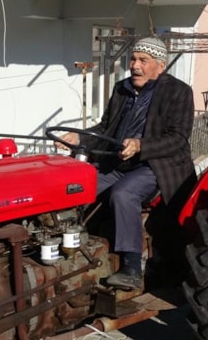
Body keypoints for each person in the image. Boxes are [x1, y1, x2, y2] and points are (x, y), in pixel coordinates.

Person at [57, 36, 195, 290]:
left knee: (124, 193)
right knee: (75, 184)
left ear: (160, 65)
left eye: (143, 60)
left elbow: (178, 138)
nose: (135, 65)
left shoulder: (178, 91)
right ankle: (68, 242)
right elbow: (105, 128)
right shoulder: (122, 88)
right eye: (133, 59)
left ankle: (131, 267)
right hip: (118, 164)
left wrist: (141, 145)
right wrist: (79, 137)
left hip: (155, 166)